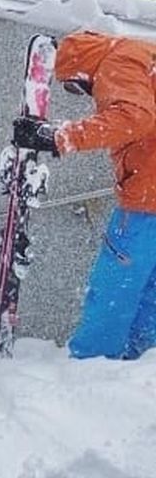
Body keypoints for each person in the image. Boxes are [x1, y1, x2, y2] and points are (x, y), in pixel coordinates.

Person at [13, 30, 156, 360]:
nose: (87, 93)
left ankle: (94, 361)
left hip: (148, 196)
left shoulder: (116, 62)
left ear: (82, 70)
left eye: (75, 86)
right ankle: (138, 360)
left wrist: (60, 137)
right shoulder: (144, 52)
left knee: (116, 282)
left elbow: (134, 117)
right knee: (150, 288)